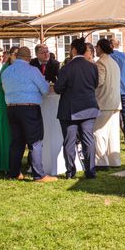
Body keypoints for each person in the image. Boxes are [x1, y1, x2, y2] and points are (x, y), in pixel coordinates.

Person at [2, 46, 55, 182]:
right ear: (28, 58)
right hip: (29, 108)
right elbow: (44, 89)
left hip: (11, 108)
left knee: (17, 142)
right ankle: (39, 175)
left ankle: (14, 173)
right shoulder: (32, 70)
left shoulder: (7, 71)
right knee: (35, 141)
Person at [55, 38, 99, 179]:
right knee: (88, 140)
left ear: (73, 50)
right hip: (88, 107)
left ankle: (70, 171)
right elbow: (95, 84)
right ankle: (90, 170)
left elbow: (58, 88)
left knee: (69, 141)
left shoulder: (67, 68)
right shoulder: (92, 66)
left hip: (70, 110)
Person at [94, 38, 122, 167]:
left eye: (96, 47)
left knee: (98, 132)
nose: (95, 49)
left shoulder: (101, 63)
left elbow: (99, 81)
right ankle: (114, 161)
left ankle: (100, 161)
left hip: (104, 101)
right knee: (113, 135)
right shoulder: (113, 62)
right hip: (115, 102)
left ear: (100, 47)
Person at [0, 46, 19, 173]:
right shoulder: (7, 67)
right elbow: (0, 85)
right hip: (4, 102)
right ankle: (6, 164)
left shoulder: (17, 67)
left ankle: (11, 163)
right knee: (5, 134)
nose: (17, 56)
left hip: (12, 101)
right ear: (10, 55)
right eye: (15, 54)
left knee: (12, 133)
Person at [110, 37, 125, 151]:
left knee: (113, 117)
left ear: (111, 45)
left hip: (113, 90)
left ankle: (115, 142)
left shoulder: (109, 57)